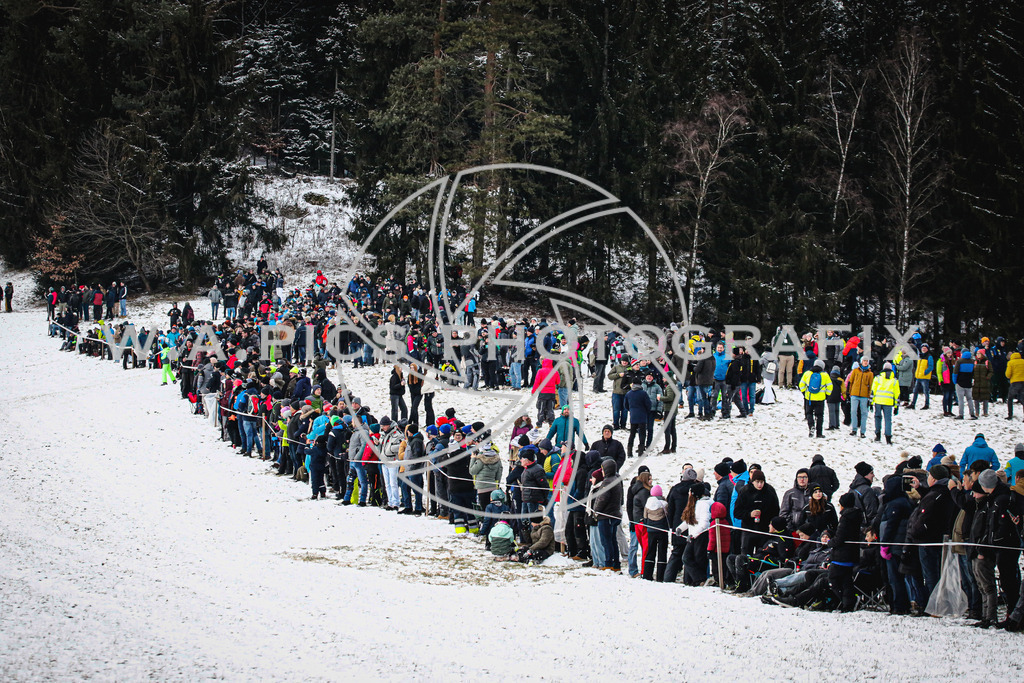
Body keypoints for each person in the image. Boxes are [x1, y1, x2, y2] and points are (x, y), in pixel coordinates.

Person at [827, 492, 864, 612]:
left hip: (841, 555)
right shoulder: (857, 515)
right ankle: (848, 604)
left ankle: (845, 601)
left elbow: (840, 538)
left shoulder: (845, 518)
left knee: (834, 579)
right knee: (847, 580)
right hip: (851, 554)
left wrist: (830, 542)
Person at [641, 484, 669, 581]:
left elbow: (645, 516)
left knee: (650, 552)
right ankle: (660, 576)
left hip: (651, 530)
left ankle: (647, 574)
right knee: (662, 553)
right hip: (662, 530)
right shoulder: (664, 504)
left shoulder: (648, 503)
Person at [798, 359, 833, 438]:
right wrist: (826, 395)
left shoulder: (807, 373)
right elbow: (830, 386)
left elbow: (801, 385)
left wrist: (804, 393)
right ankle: (819, 433)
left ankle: (811, 427)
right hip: (820, 399)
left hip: (809, 398)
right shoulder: (825, 375)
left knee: (809, 413)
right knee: (819, 415)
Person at [871, 361, 900, 444]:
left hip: (878, 401)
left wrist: (871, 402)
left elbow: (873, 391)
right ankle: (888, 437)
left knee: (877, 417)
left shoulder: (878, 378)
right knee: (888, 420)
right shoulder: (894, 380)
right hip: (888, 402)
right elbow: (896, 394)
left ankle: (878, 435)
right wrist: (896, 406)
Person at [846, 357, 874, 438]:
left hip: (864, 395)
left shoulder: (870, 373)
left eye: (867, 361)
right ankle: (854, 429)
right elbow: (851, 381)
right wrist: (849, 393)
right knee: (853, 411)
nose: (865, 362)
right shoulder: (855, 371)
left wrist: (869, 396)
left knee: (864, 413)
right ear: (861, 362)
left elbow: (871, 386)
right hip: (854, 394)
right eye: (864, 361)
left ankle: (863, 431)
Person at [625, 381, 652, 459]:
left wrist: (632, 410)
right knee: (642, 435)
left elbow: (626, 405)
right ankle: (641, 452)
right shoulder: (643, 393)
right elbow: (648, 404)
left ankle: (629, 452)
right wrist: (646, 411)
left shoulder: (629, 393)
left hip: (633, 416)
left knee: (632, 434)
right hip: (642, 416)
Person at [909, 343, 933, 409]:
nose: (923, 349)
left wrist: (925, 372)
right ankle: (913, 403)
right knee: (915, 391)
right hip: (918, 376)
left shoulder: (929, 356)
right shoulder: (920, 356)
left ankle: (927, 404)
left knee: (926, 391)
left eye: (925, 348)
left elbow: (931, 366)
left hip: (924, 377)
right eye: (922, 348)